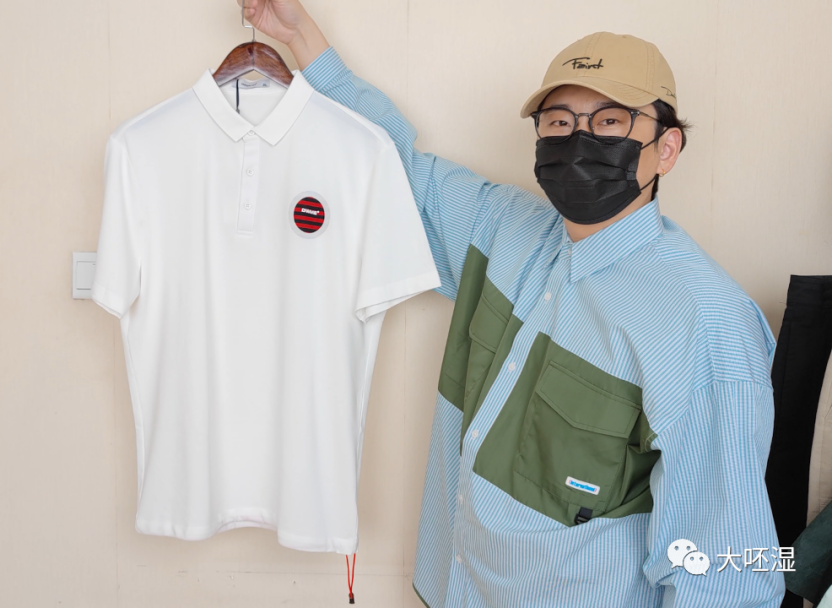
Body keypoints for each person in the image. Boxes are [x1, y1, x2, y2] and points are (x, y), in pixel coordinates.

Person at [242, 1, 785, 606]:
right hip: (458, 588)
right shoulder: (503, 229)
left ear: (667, 148)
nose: (579, 139)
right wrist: (302, 39)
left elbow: (723, 573)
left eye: (610, 121)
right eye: (559, 121)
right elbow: (393, 172)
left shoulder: (707, 323)